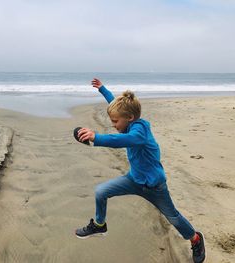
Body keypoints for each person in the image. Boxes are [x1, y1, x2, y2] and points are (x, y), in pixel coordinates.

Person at [75, 78, 206, 263]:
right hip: (134, 180)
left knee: (174, 218)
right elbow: (117, 106)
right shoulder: (128, 119)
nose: (113, 124)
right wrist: (103, 89)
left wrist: (96, 137)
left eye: (114, 121)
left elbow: (121, 141)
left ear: (130, 118)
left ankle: (196, 239)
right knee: (100, 192)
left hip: (155, 186)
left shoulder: (139, 133)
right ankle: (99, 224)